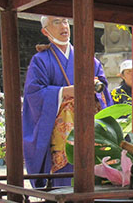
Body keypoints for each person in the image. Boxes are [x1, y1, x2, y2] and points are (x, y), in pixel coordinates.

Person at [22, 16, 111, 188]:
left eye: (65, 21)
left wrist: (93, 89)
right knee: (64, 179)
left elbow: (103, 91)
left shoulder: (88, 59)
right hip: (61, 135)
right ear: (45, 31)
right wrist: (65, 92)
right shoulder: (40, 61)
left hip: (88, 127)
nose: (64, 26)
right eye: (56, 22)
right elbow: (33, 95)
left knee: (91, 173)